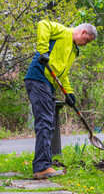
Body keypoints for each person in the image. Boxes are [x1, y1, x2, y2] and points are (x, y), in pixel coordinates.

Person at [24, 20, 97, 179]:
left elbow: (63, 74)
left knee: (49, 123)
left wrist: (69, 93)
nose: (85, 45)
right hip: (38, 77)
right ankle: (41, 167)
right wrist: (43, 50)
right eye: (87, 41)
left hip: (48, 83)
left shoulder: (73, 49)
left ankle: (45, 165)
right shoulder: (63, 31)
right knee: (44, 121)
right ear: (83, 32)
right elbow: (43, 24)